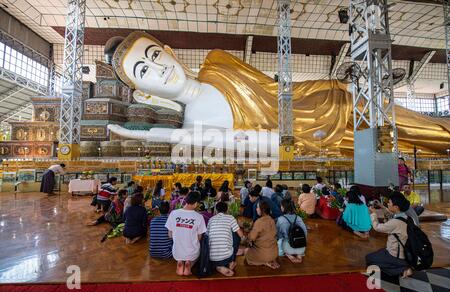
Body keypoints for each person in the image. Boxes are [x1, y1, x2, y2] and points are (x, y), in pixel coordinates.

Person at [106, 31, 450, 157]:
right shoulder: (197, 125)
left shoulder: (217, 61)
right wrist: (155, 133)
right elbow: (267, 144)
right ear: (144, 93)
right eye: (144, 72)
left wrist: (337, 87)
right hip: (316, 139)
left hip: (328, 98)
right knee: (399, 144)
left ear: (169, 50)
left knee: (420, 126)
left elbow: (277, 91)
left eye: (154, 56)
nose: (159, 68)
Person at [366, 193, 413, 278]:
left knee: (369, 259)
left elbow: (377, 227)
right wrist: (382, 206)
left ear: (396, 207)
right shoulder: (406, 217)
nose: (387, 204)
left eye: (389, 203)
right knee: (378, 253)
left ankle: (402, 268)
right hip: (404, 251)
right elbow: (392, 215)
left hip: (396, 255)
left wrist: (373, 214)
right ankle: (403, 265)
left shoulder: (395, 223)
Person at [165, 191, 207, 276]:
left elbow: (170, 235)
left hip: (177, 251)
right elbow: (199, 237)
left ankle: (180, 262)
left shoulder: (174, 213)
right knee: (196, 251)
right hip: (192, 252)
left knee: (180, 251)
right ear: (195, 203)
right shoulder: (199, 217)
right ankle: (189, 264)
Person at [207, 202, 244, 277]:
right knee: (236, 234)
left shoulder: (211, 220)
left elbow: (207, 236)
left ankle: (218, 266)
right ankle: (231, 262)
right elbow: (241, 234)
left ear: (216, 210)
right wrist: (245, 240)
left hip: (211, 258)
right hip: (227, 257)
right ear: (227, 210)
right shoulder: (230, 218)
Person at [245, 200, 279, 269]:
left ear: (262, 210)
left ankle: (264, 262)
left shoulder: (259, 222)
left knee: (246, 252)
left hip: (263, 254)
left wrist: (247, 236)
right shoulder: (272, 220)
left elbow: (251, 238)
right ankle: (269, 260)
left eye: (257, 207)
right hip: (274, 253)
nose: (256, 209)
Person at [276, 199, 307, 263]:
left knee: (280, 240)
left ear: (284, 208)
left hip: (288, 247)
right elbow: (305, 233)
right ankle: (299, 254)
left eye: (281, 206)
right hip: (301, 246)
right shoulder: (299, 218)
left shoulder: (280, 219)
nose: (280, 207)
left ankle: (288, 254)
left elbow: (278, 236)